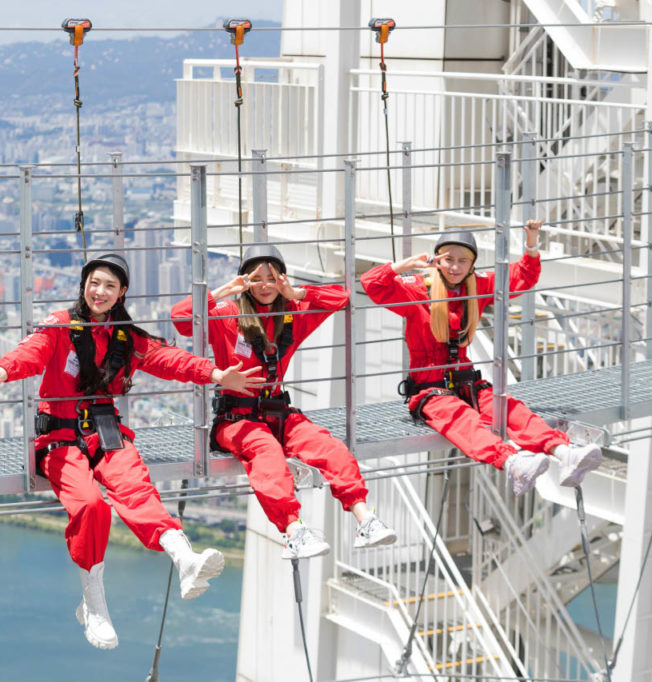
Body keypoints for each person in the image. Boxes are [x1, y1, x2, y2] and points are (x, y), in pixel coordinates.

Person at [0, 253, 264, 650]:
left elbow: (167, 359)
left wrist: (217, 374)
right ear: (84, 285)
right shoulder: (61, 325)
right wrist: (2, 371)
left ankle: (183, 558)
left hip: (105, 430)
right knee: (91, 506)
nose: (98, 292)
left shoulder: (125, 335)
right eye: (93, 283)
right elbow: (32, 351)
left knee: (134, 486)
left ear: (121, 293)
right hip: (60, 436)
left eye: (109, 286)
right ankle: (93, 601)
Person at [170, 244, 397, 560]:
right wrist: (226, 290)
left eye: (272, 277)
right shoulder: (227, 315)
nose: (265, 285)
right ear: (245, 282)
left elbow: (340, 299)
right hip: (236, 419)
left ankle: (365, 519)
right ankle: (294, 532)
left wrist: (298, 292)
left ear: (282, 280)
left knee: (328, 447)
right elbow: (181, 319)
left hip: (278, 413)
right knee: (267, 455)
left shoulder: (290, 316)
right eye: (256, 278)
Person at [361, 222, 602, 495]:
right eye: (448, 260)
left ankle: (563, 451)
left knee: (510, 408)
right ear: (437, 259)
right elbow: (372, 283)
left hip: (467, 382)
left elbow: (523, 276)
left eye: (463, 261)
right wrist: (405, 265)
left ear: (472, 264)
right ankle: (512, 461)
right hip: (430, 389)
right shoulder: (417, 288)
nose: (455, 267)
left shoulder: (477, 285)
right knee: (461, 419)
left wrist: (532, 243)